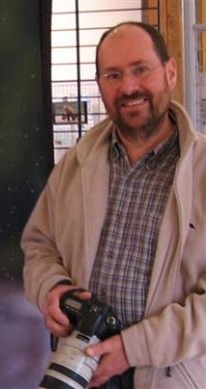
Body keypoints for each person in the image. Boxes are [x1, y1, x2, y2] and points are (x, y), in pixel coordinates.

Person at [21, 21, 206, 388]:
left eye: (141, 70)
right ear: (100, 84)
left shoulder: (202, 172)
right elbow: (38, 246)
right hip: (77, 369)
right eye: (114, 75)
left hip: (167, 375)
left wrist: (132, 348)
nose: (129, 87)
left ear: (170, 72)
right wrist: (52, 289)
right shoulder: (75, 165)